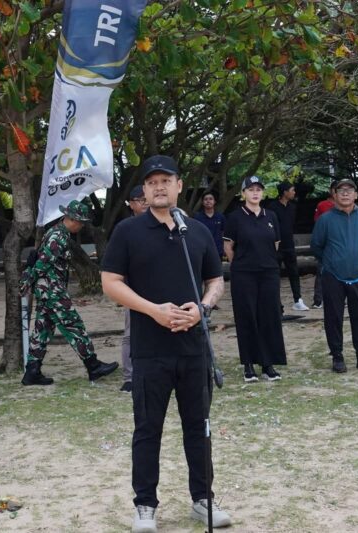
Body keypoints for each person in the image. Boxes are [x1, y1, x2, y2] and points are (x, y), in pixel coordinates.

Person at [101, 155, 231, 532]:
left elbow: (215, 281)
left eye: (166, 180)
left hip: (193, 349)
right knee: (147, 429)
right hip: (149, 348)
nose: (159, 186)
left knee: (198, 425)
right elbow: (111, 282)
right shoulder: (128, 232)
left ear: (178, 185)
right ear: (143, 190)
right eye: (152, 181)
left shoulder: (198, 232)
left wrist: (201, 309)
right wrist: (153, 310)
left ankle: (202, 498)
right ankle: (145, 505)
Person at [19, 200, 118, 385]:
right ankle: (93, 365)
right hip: (52, 290)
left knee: (43, 328)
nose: (81, 226)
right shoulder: (58, 236)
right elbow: (42, 264)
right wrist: (26, 281)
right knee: (73, 325)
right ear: (71, 219)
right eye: (80, 222)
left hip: (47, 290)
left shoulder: (57, 233)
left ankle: (32, 371)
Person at [311, 179, 358, 373]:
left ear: (356, 194)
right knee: (333, 318)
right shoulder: (325, 219)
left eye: (350, 190)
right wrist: (332, 261)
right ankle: (337, 357)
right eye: (341, 190)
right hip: (333, 276)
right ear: (334, 194)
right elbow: (317, 246)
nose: (346, 193)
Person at [223, 175, 287, 382]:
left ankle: (268, 364)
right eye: (250, 189)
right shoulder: (235, 217)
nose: (255, 193)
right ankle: (249, 364)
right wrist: (242, 264)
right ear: (243, 193)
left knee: (269, 316)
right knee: (247, 316)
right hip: (244, 274)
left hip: (268, 272)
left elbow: (275, 244)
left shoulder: (271, 216)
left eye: (258, 189)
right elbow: (228, 247)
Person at [119, 186, 148, 393]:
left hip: (160, 285)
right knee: (131, 332)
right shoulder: (125, 228)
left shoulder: (165, 223)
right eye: (140, 200)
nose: (145, 203)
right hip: (133, 288)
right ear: (130, 204)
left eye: (146, 199)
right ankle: (130, 376)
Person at [267, 182, 309, 312]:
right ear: (284, 192)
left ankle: (298, 300)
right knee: (275, 275)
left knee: (294, 273)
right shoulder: (272, 207)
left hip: (289, 245)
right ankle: (276, 303)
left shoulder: (292, 207)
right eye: (292, 190)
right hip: (276, 246)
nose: (294, 192)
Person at [311, 181, 337, 309]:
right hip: (326, 243)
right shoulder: (322, 205)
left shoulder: (347, 205)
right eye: (335, 189)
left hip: (341, 243)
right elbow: (317, 223)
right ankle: (318, 299)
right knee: (322, 270)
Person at [193, 191, 226, 258]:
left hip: (218, 250)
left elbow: (224, 233)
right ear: (202, 202)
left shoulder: (220, 217)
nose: (208, 201)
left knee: (217, 268)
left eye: (211, 199)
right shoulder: (197, 217)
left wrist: (224, 248)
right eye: (206, 199)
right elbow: (195, 234)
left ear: (214, 201)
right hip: (202, 250)